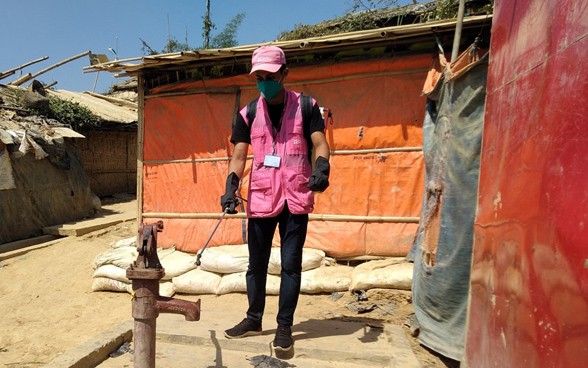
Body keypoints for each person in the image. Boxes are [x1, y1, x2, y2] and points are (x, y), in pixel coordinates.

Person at [221, 45, 331, 354]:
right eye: (259, 77)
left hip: (295, 197)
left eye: (270, 76)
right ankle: (253, 318)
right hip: (261, 198)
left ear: (284, 74)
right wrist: (231, 187)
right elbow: (239, 155)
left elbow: (320, 143)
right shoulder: (248, 113)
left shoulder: (307, 106)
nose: (264, 82)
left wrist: (322, 167)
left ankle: (284, 327)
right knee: (255, 266)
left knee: (290, 266)